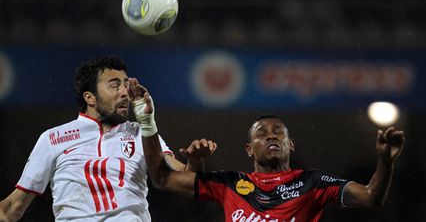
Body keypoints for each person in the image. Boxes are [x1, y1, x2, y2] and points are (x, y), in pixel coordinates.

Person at [136, 87, 405, 222]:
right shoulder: (229, 184)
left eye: (278, 132)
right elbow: (161, 179)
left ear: (291, 145)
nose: (271, 136)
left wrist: (385, 162)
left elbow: (371, 197)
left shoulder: (313, 183)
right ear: (249, 149)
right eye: (262, 133)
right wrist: (147, 122)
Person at [0, 56, 215, 222]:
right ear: (89, 97)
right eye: (114, 85)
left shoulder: (141, 134)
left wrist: (196, 161)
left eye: (125, 85)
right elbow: (11, 209)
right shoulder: (53, 138)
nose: (124, 92)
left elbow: (183, 180)